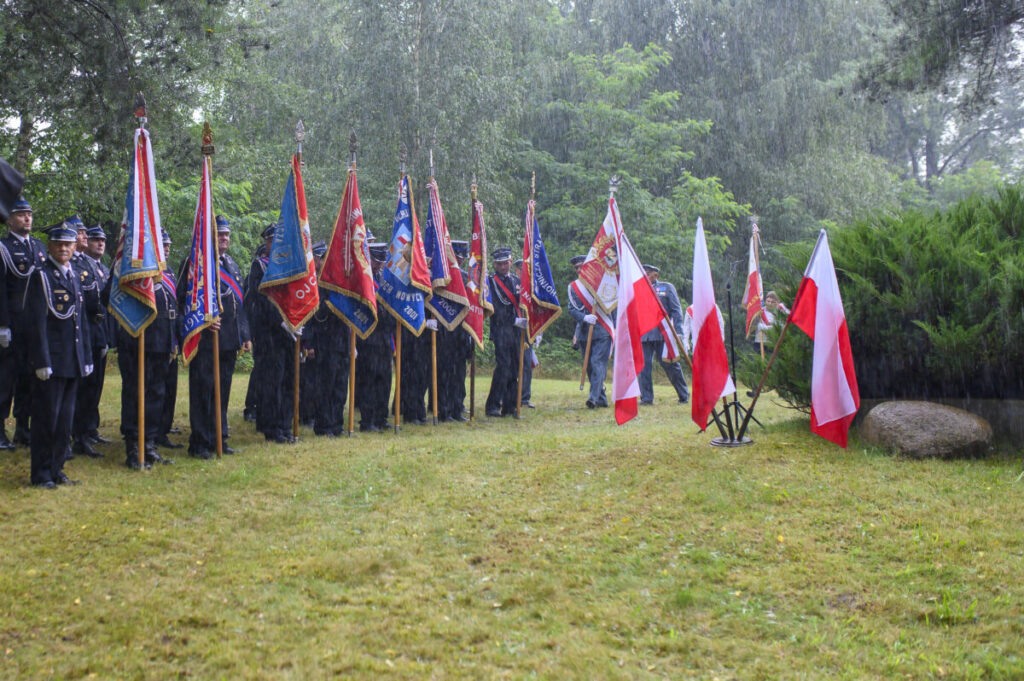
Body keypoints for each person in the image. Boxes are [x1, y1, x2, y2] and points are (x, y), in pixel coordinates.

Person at [23, 223, 93, 487]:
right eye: (59, 244)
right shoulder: (40, 277)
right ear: (50, 246)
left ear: (74, 247)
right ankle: (41, 473)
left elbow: (81, 322)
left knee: (65, 420)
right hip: (52, 362)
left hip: (72, 360)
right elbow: (35, 323)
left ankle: (57, 469)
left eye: (68, 244)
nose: (64, 249)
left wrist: (86, 357)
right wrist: (41, 361)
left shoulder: (73, 275)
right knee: (46, 420)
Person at [105, 231, 178, 469]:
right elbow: (107, 297)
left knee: (156, 394)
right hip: (136, 341)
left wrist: (173, 341)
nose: (164, 249)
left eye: (166, 246)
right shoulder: (129, 268)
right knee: (135, 393)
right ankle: (133, 445)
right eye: (160, 245)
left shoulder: (168, 273)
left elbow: (172, 310)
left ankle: (149, 443)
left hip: (161, 342)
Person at [1, 199, 47, 448]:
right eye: (21, 215)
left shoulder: (39, 247)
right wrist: (2, 325)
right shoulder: (3, 248)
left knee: (30, 378)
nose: (27, 218)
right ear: (9, 220)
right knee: (5, 379)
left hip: (34, 326)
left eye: (29, 214)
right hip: (12, 325)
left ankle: (23, 427)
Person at [245, 223, 297, 443]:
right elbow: (257, 301)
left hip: (288, 334)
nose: (275, 244)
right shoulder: (260, 266)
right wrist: (278, 320)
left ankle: (285, 425)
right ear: (266, 243)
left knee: (288, 381)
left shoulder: (290, 266)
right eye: (272, 240)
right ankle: (270, 427)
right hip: (269, 334)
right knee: (271, 382)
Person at [70, 223, 110, 458]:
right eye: (82, 234)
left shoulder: (91, 265)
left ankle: (88, 430)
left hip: (98, 329)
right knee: (82, 386)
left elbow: (103, 299)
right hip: (82, 328)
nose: (86, 238)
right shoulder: (74, 263)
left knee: (94, 384)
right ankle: (79, 435)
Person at [305, 240, 349, 436]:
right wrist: (310, 344)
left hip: (342, 341)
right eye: (323, 259)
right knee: (326, 385)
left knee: (340, 385)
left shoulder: (342, 284)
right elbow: (315, 315)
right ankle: (324, 425)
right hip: (325, 341)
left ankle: (337, 423)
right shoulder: (318, 284)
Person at [355, 243, 394, 432]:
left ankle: (381, 417)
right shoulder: (363, 278)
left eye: (381, 261)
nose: (379, 264)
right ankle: (367, 420)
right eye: (376, 260)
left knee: (384, 379)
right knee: (369, 380)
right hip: (369, 336)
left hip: (384, 336)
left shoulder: (382, 278)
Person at [568, 255, 614, 408]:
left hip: (602, 330)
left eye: (581, 266)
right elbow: (571, 309)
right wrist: (584, 317)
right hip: (584, 331)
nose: (579, 270)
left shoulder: (601, 284)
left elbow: (613, 305)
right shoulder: (573, 287)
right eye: (576, 268)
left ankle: (593, 399)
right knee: (589, 366)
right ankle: (601, 399)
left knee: (597, 363)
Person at [638, 264, 689, 405]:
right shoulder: (638, 289)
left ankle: (683, 395)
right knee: (643, 367)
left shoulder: (666, 288)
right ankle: (646, 398)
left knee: (670, 365)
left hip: (663, 333)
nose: (644, 275)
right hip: (644, 334)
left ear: (655, 275)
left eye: (647, 273)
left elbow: (676, 310)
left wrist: (679, 331)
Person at [485, 246, 526, 416]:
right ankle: (493, 405)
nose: (503, 267)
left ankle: (510, 406)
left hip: (516, 332)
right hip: (501, 330)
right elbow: (495, 308)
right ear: (495, 264)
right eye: (499, 264)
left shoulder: (517, 281)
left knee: (515, 368)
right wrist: (513, 320)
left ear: (511, 261)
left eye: (506, 263)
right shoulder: (491, 282)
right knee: (503, 367)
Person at [511, 257, 536, 408]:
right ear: (516, 270)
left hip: (527, 332)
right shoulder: (512, 283)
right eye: (521, 270)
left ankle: (524, 397)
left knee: (526, 365)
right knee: (511, 365)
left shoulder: (533, 287)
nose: (524, 273)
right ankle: (510, 397)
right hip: (512, 330)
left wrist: (538, 331)